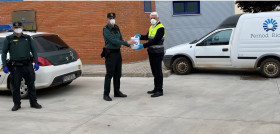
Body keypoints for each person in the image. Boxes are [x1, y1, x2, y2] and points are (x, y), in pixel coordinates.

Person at [1, 22, 42, 111]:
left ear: (22, 27)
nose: (17, 28)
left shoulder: (27, 38)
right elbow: (3, 53)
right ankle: (17, 104)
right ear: (13, 28)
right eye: (15, 27)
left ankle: (33, 102)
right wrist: (4, 65)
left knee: (31, 84)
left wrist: (37, 62)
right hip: (16, 67)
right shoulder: (9, 39)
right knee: (16, 86)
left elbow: (34, 51)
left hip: (27, 65)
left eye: (19, 27)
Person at [102, 12, 135, 101]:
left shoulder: (116, 27)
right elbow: (113, 40)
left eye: (113, 17)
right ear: (107, 19)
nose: (112, 19)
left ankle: (117, 92)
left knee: (118, 74)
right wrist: (126, 42)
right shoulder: (105, 29)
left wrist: (130, 45)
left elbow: (120, 39)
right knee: (109, 74)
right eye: (110, 18)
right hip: (110, 54)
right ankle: (106, 94)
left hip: (117, 53)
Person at [135, 12, 165, 97]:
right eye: (151, 18)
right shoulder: (152, 27)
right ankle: (156, 88)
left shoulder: (161, 28)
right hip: (151, 52)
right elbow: (147, 37)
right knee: (154, 71)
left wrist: (143, 45)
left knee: (158, 72)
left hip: (158, 53)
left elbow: (155, 40)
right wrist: (139, 36)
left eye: (154, 17)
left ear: (158, 18)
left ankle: (159, 90)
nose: (152, 19)